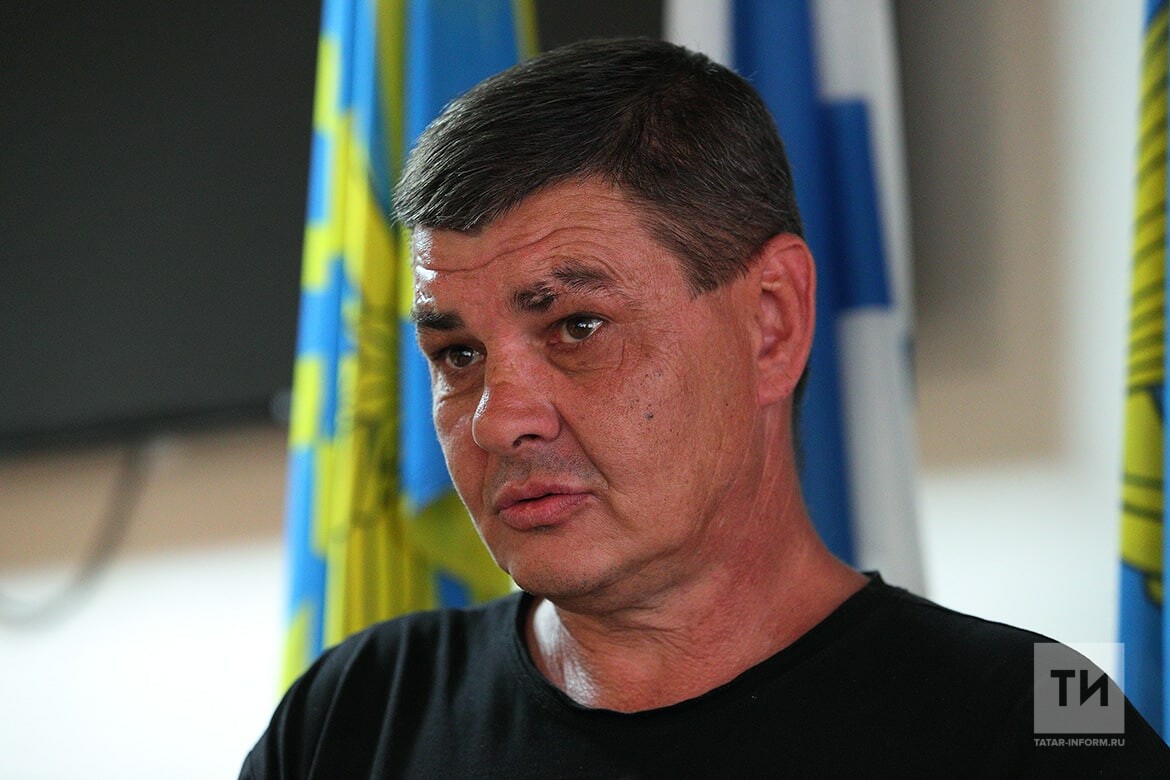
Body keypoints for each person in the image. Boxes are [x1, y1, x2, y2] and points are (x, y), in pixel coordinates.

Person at [242, 38, 1168, 777]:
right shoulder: (356, 714)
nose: (497, 420)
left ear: (771, 324)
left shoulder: (1041, 721)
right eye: (458, 355)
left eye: (576, 327)